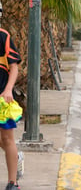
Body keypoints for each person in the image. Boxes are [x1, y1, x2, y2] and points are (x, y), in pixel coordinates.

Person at [0, 27, 22, 190]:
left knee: (7, 139)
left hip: (2, 98)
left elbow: (14, 67)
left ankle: (12, 182)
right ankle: (16, 157)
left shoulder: (3, 36)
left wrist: (8, 89)